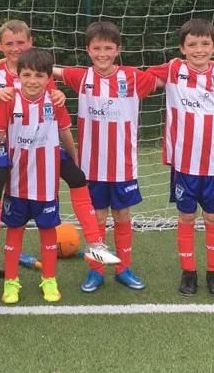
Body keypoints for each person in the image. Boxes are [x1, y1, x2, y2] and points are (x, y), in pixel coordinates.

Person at [0, 20, 119, 285]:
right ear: (0, 46)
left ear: (30, 43)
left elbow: (58, 116)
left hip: (43, 140)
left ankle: (95, 244)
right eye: (9, 44)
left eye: (21, 43)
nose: (16, 48)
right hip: (8, 142)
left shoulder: (40, 68)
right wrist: (0, 99)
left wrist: (72, 152)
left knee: (77, 177)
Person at [146, 19, 214, 298]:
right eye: (192, 44)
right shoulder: (173, 69)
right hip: (184, 164)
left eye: (205, 43)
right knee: (187, 216)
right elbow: (135, 79)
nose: (199, 49)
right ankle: (188, 272)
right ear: (182, 48)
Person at [56, 21, 162, 292]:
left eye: (108, 48)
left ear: (118, 50)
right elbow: (46, 71)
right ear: (88, 50)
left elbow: (171, 75)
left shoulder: (134, 77)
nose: (102, 53)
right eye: (96, 48)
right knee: (98, 219)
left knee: (123, 215)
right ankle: (97, 270)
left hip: (123, 167)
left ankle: (124, 268)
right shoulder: (81, 78)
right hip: (91, 167)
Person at [0, 48, 73, 303]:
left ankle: (50, 279)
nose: (32, 80)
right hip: (17, 181)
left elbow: (65, 133)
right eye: (27, 75)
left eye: (39, 76)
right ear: (18, 76)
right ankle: (11, 282)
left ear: (48, 78)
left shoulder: (55, 101)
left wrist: (74, 159)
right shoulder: (10, 101)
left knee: (48, 232)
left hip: (46, 183)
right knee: (14, 231)